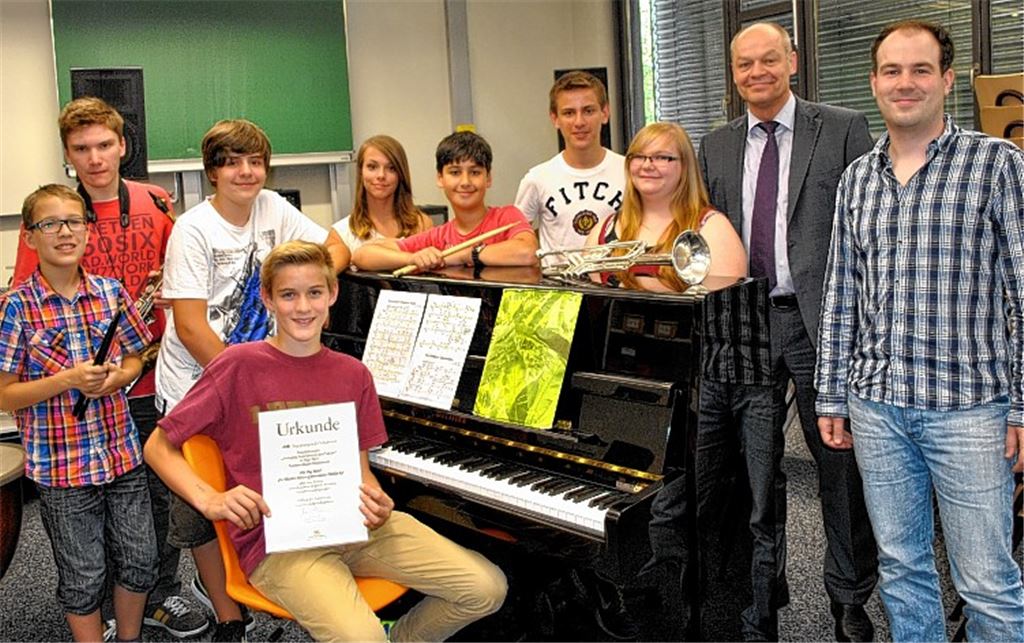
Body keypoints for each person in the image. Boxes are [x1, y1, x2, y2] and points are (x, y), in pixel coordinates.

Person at [144, 240, 508, 641]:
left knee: (485, 589)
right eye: (288, 295)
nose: (303, 307)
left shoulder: (354, 374)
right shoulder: (237, 365)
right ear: (267, 298)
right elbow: (159, 446)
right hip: (278, 542)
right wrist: (210, 500)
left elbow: (361, 470)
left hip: (356, 527)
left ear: (333, 294)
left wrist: (376, 499)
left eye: (315, 293)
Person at [816, 20, 1024, 642]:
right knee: (903, 569)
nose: (905, 83)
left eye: (920, 69)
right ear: (873, 82)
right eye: (891, 71)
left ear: (947, 80)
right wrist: (832, 392)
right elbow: (840, 295)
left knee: (986, 581)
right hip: (876, 405)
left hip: (971, 410)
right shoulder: (858, 179)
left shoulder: (997, 165)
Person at [698, 21, 878, 641]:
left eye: (768, 60)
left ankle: (848, 600)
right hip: (741, 324)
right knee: (755, 469)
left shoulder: (843, 127)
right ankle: (762, 590)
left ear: (793, 62)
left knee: (837, 465)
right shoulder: (715, 145)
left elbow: (869, 225)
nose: (756, 73)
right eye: (744, 64)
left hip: (821, 321)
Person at [9, 96, 208, 639]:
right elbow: (28, 299)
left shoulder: (156, 201)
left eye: (104, 145)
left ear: (122, 146)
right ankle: (90, 600)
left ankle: (159, 593)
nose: (95, 158)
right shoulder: (56, 215)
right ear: (68, 155)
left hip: (149, 376)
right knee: (87, 520)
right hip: (79, 405)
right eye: (81, 149)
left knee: (155, 502)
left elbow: (183, 272)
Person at [153, 118, 349, 639]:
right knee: (202, 508)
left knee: (260, 492)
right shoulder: (193, 229)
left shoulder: (272, 208)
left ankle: (277, 584)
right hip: (196, 385)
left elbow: (334, 248)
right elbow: (192, 328)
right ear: (212, 172)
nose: (246, 172)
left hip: (253, 386)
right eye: (232, 162)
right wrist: (251, 383)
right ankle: (227, 613)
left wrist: (316, 280)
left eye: (255, 161)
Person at [0, 184, 157, 642]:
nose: (64, 232)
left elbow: (137, 353)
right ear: (30, 237)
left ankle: (127, 638)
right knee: (83, 574)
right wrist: (67, 380)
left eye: (73, 222)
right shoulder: (16, 308)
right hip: (61, 467)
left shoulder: (111, 294)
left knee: (140, 559)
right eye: (50, 224)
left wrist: (120, 377)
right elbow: (5, 396)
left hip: (121, 456)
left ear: (88, 231)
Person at [585, 121, 747, 290]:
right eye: (638, 156)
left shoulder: (713, 230)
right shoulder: (602, 233)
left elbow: (726, 309)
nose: (647, 165)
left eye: (662, 157)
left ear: (685, 166)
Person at [353, 131, 538, 272]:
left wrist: (465, 254)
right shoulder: (437, 237)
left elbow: (527, 252)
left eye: (475, 172)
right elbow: (362, 255)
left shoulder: (507, 217)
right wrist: (412, 259)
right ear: (440, 178)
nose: (465, 182)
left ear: (488, 178)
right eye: (455, 172)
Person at [515, 70, 624, 255]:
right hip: (558, 283)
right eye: (569, 113)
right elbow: (516, 240)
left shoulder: (630, 172)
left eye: (588, 111)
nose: (579, 122)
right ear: (555, 119)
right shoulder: (537, 179)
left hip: (615, 281)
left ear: (605, 113)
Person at [331, 135, 433, 255]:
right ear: (360, 172)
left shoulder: (422, 224)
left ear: (401, 174)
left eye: (391, 168)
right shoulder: (341, 234)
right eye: (372, 167)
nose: (381, 175)